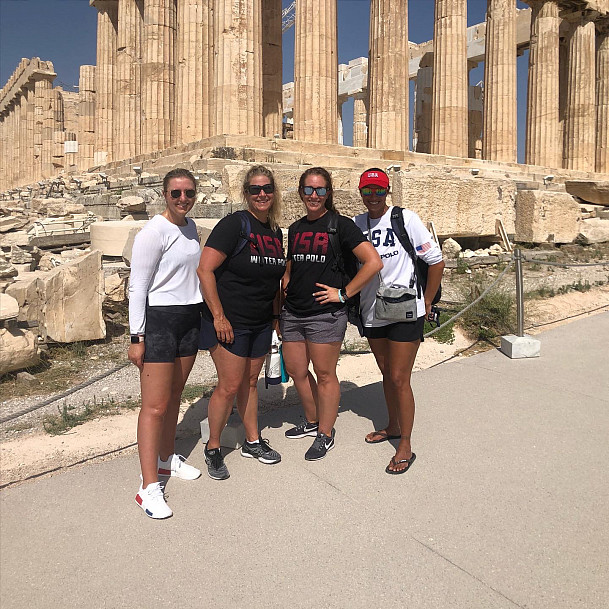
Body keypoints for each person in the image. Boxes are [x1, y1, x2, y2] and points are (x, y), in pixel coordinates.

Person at [281, 167, 382, 461]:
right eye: (309, 190)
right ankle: (312, 421)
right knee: (298, 372)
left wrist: (344, 293)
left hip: (325, 315)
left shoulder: (340, 225)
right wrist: (286, 282)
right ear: (301, 192)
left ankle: (325, 433)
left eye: (320, 190)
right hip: (293, 312)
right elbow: (293, 263)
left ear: (329, 193)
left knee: (325, 374)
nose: (314, 195)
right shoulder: (296, 227)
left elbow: (373, 262)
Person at [353, 168, 445, 474]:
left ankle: (405, 444)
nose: (374, 197)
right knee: (384, 372)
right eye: (368, 191)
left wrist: (428, 299)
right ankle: (392, 425)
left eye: (379, 191)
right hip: (372, 309)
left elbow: (435, 260)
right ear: (360, 193)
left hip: (406, 309)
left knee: (398, 377)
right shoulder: (357, 224)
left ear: (388, 191)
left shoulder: (406, 219)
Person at [197, 165, 286, 480]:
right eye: (254, 189)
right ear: (245, 193)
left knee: (250, 383)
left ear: (274, 193)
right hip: (229, 321)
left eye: (266, 189)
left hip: (260, 321)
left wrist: (276, 317)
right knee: (229, 385)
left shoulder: (274, 232)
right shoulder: (234, 224)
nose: (261, 194)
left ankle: (252, 441)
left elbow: (273, 281)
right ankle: (213, 446)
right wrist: (219, 316)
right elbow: (205, 270)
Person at [128, 168, 203, 519]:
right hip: (159, 321)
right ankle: (147, 488)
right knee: (154, 406)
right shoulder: (153, 232)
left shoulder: (190, 228)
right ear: (165, 194)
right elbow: (137, 286)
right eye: (176, 193)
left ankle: (165, 460)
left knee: (174, 397)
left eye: (189, 192)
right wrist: (136, 336)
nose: (183, 199)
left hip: (189, 318)